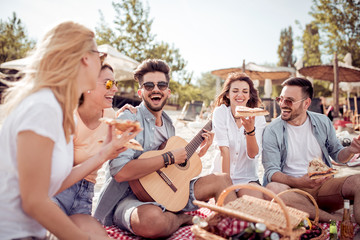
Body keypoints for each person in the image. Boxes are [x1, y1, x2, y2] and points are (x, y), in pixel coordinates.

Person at [0, 21, 139, 240]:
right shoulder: (42, 107)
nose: (101, 62)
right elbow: (34, 200)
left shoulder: (53, 106)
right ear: (85, 58)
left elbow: (49, 186)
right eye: (99, 56)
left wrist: (105, 153)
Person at [94, 59, 237, 238]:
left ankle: (237, 232)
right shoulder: (128, 118)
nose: (156, 89)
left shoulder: (169, 124)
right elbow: (120, 172)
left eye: (161, 85)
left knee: (222, 181)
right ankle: (181, 219)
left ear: (168, 92)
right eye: (149, 85)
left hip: (166, 192)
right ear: (140, 92)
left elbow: (172, 172)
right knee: (152, 221)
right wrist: (168, 157)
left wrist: (198, 153)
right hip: (129, 199)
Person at [52, 63, 137, 235]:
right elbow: (56, 181)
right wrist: (103, 154)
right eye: (108, 84)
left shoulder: (111, 116)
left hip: (85, 196)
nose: (114, 89)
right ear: (86, 86)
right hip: (57, 193)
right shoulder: (68, 118)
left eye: (115, 83)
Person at [262, 77, 360, 224]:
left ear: (306, 103)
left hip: (324, 188)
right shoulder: (271, 130)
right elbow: (271, 172)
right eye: (280, 99)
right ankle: (334, 220)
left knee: (358, 181)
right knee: (273, 188)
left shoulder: (323, 121)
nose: (282, 104)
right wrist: (300, 182)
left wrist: (351, 150)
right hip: (292, 190)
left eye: (289, 101)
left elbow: (339, 156)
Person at [212, 72, 266, 198]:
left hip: (247, 178)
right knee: (228, 206)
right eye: (235, 91)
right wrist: (227, 186)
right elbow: (224, 150)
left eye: (245, 91)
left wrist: (250, 131)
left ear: (249, 95)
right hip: (221, 176)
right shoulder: (220, 113)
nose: (240, 95)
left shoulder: (258, 116)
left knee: (253, 207)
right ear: (228, 94)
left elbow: (253, 155)